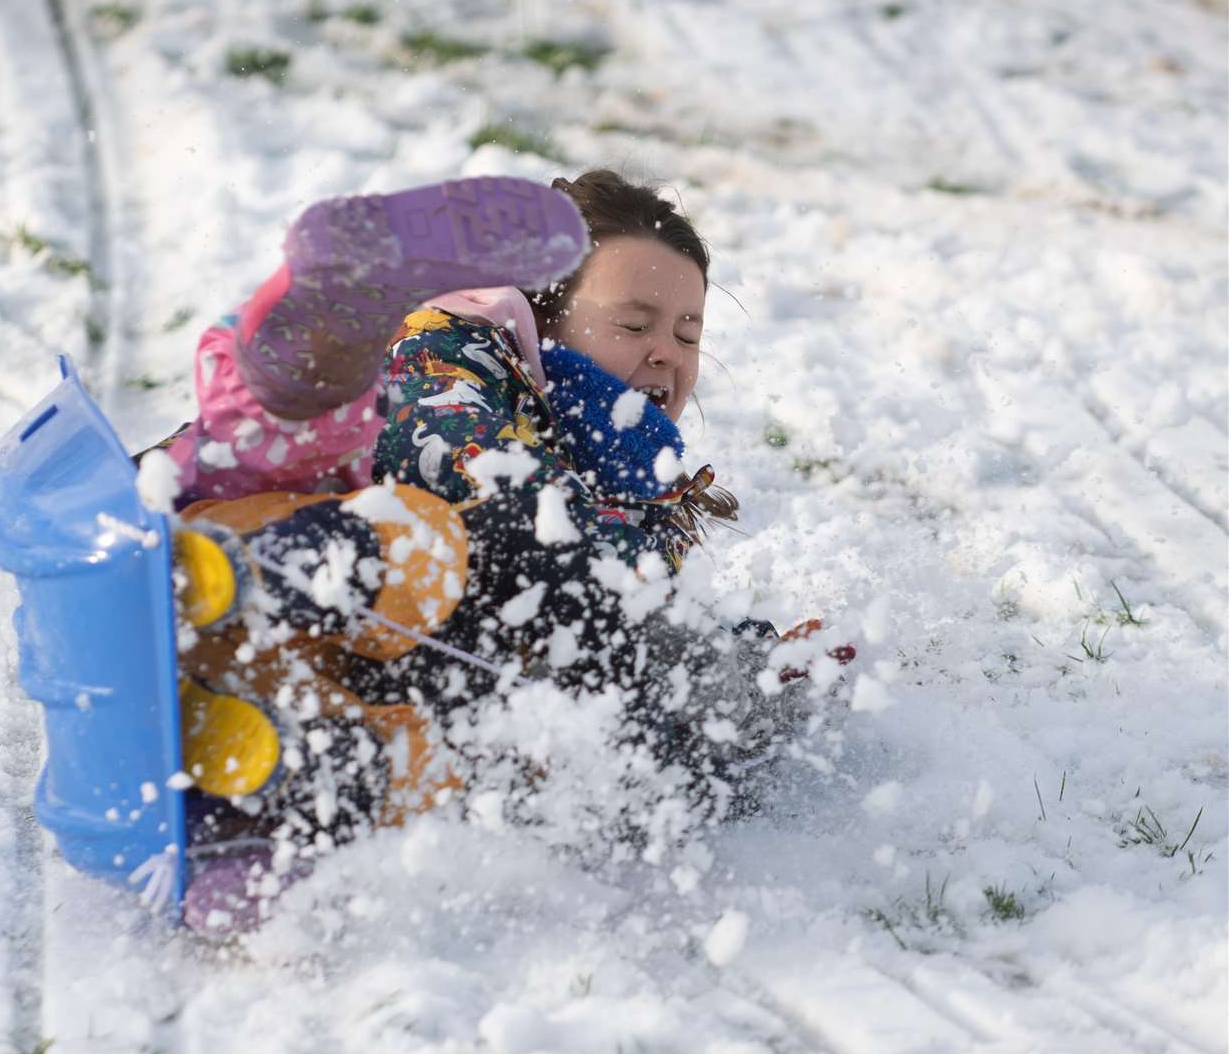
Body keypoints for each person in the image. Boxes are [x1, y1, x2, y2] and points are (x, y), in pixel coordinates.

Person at [138, 171, 848, 933]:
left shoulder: (624, 484)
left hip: (301, 669)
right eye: (633, 322)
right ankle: (237, 562)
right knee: (456, 544)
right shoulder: (448, 354)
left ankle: (265, 788)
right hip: (209, 554)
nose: (664, 355)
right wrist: (714, 674)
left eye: (687, 333)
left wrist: (751, 673)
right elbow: (511, 517)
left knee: (495, 737)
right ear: (544, 314)